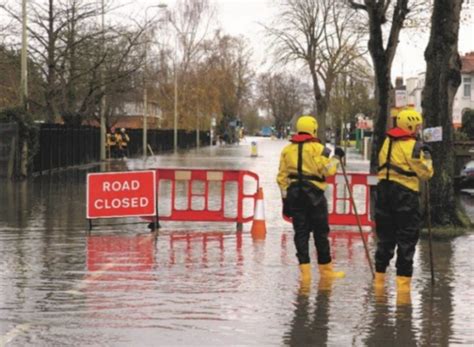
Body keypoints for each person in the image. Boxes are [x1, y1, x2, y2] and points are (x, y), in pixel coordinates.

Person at [276, 115, 346, 284]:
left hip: (295, 195)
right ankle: (326, 271)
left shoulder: (287, 150)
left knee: (301, 233)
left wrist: (285, 201)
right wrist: (337, 158)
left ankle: (305, 274)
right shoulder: (319, 148)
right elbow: (328, 170)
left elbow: (281, 178)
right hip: (314, 196)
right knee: (321, 233)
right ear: (313, 129)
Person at [374, 109, 433, 297]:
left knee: (385, 238)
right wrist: (429, 158)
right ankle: (403, 291)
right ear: (410, 125)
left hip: (383, 193)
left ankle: (379, 282)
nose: (418, 129)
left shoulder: (387, 142)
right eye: (416, 126)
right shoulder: (414, 146)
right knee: (406, 240)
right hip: (405, 195)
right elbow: (426, 173)